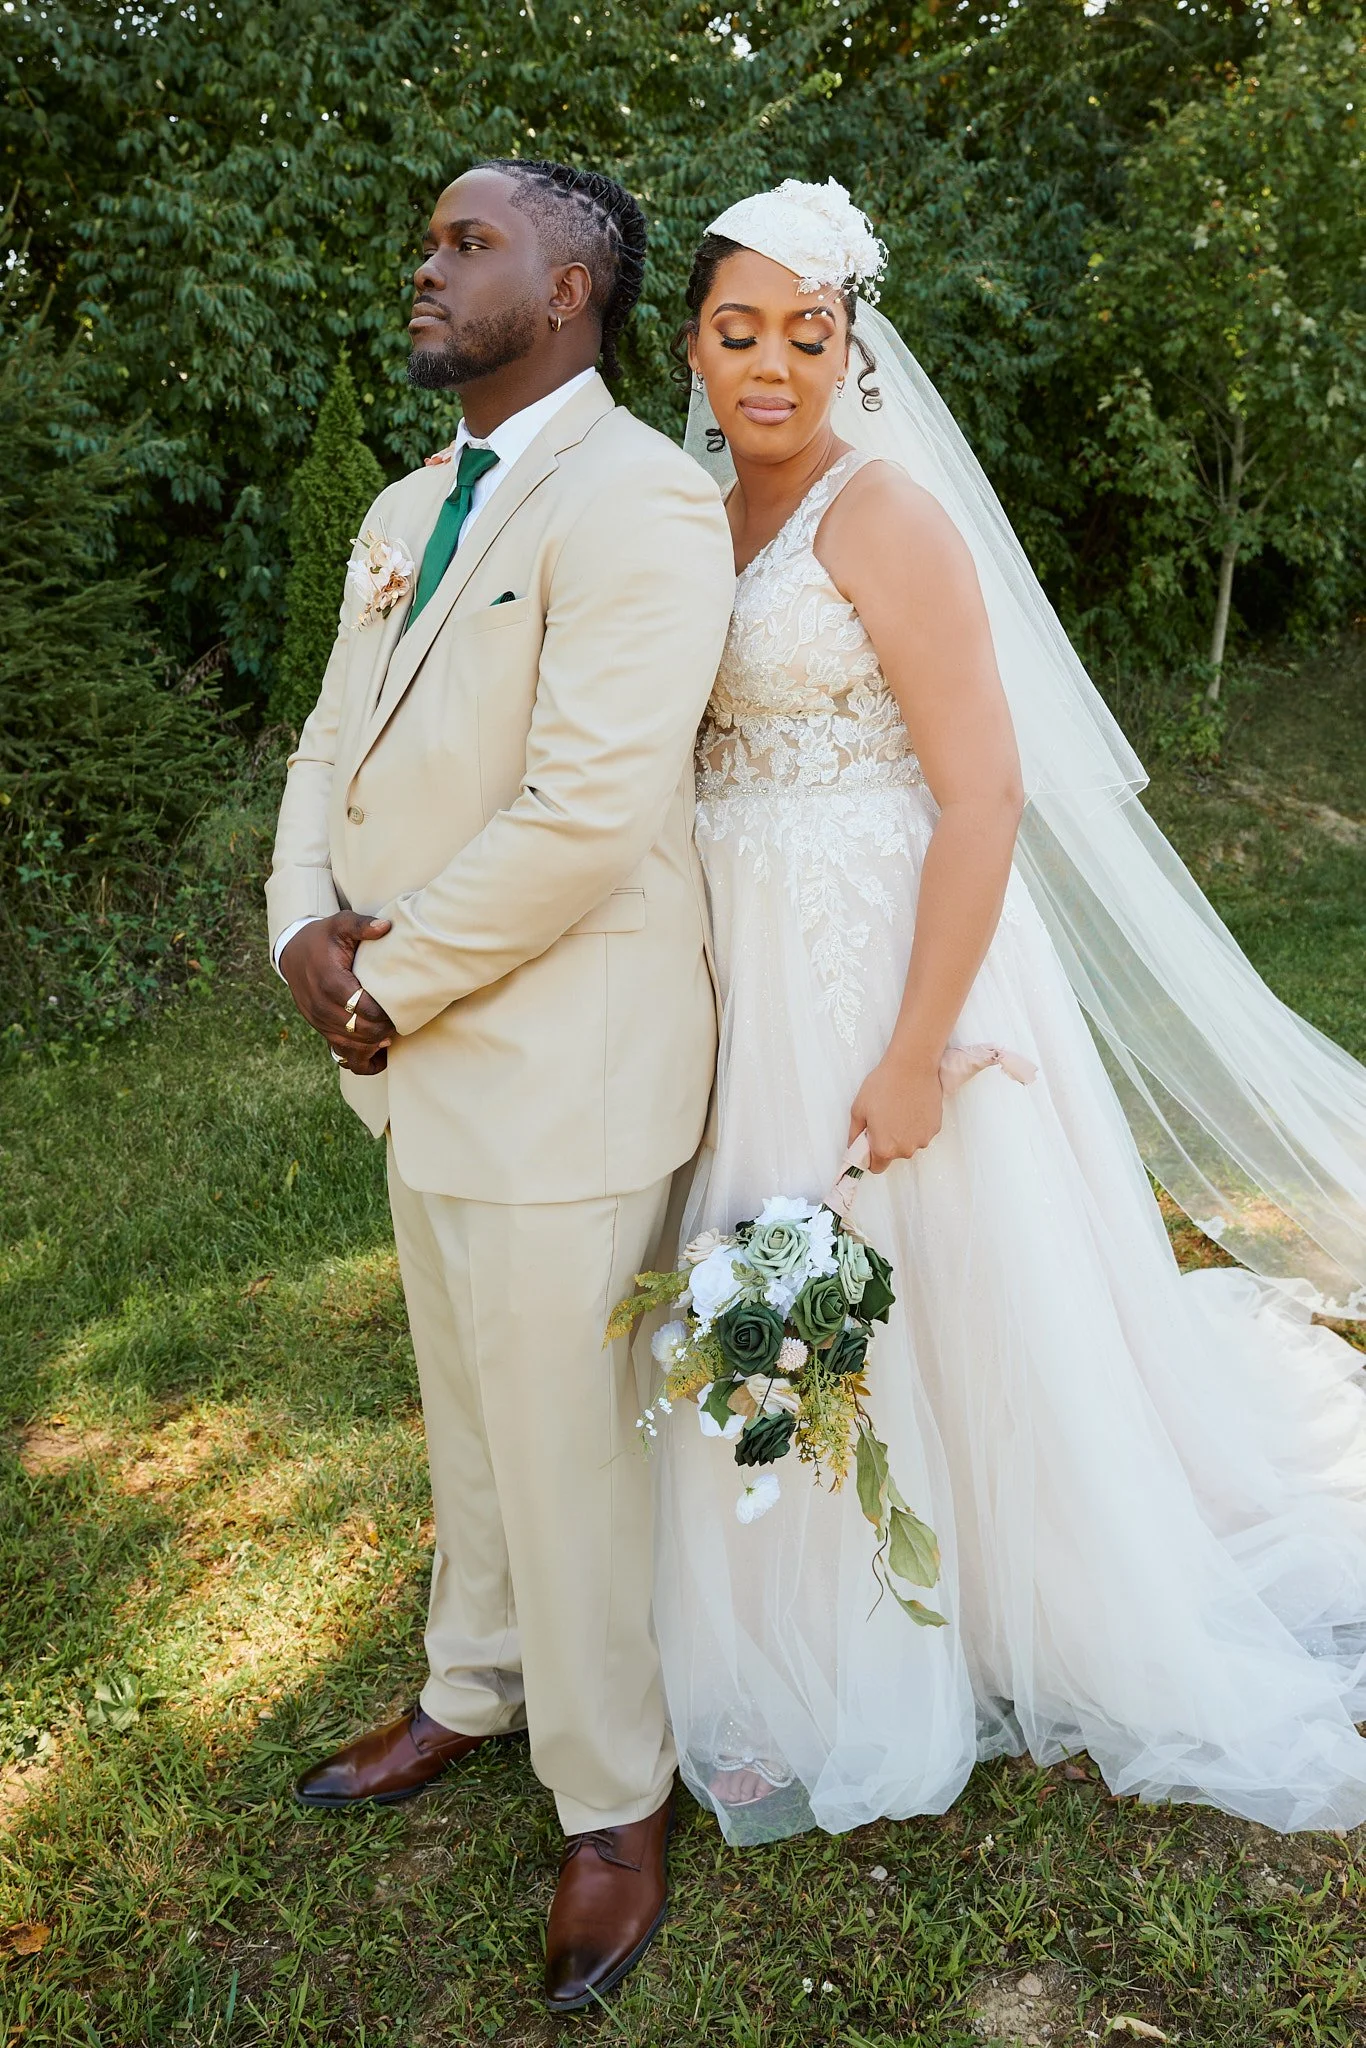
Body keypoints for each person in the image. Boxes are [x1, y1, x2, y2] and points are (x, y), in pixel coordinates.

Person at [652, 177, 1366, 1846]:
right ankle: (780, 1592)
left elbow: (980, 798)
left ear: (850, 349)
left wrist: (914, 1050)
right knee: (765, 1236)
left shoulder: (881, 515)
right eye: (735, 330)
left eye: (803, 335)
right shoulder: (689, 518)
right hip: (738, 954)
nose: (768, 366)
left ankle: (952, 1601)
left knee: (939, 1264)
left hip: (886, 951)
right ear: (688, 342)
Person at [266, 159, 734, 2008]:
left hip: (561, 1051)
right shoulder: (403, 503)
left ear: (568, 291)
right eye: (433, 237)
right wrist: (297, 925)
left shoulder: (644, 501)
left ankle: (614, 1807)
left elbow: (594, 810)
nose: (425, 266)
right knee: (468, 1408)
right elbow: (323, 741)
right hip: (417, 1047)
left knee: (568, 1448)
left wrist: (391, 976)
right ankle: (472, 1685)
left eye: (468, 243)